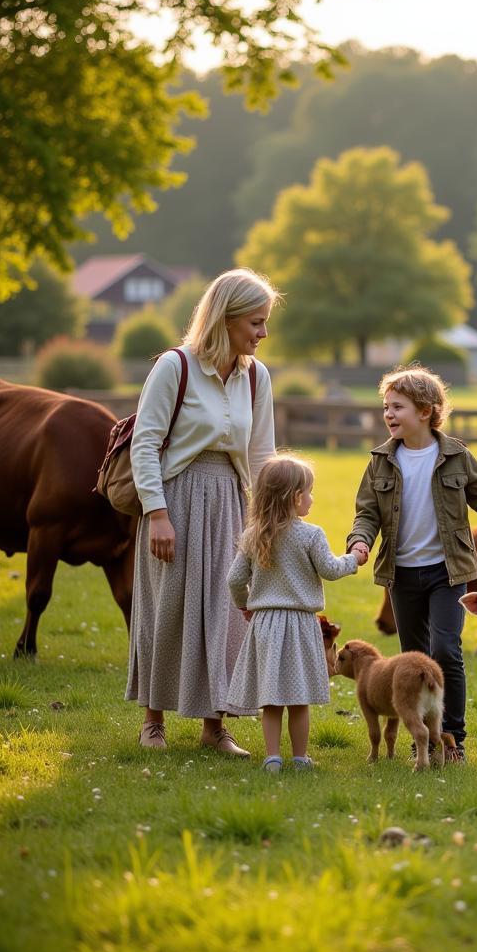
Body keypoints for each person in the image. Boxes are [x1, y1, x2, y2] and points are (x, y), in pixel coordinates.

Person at [125, 267, 280, 755]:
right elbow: (145, 445)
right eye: (255, 322)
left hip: (232, 500)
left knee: (225, 612)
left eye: (265, 321)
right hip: (176, 498)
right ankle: (153, 720)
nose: (263, 333)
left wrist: (270, 520)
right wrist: (157, 513)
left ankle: (216, 727)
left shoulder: (257, 377)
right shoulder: (175, 366)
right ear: (226, 318)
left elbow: (261, 455)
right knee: (166, 608)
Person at [347, 365, 477, 763]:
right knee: (412, 661)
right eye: (386, 408)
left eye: (398, 407)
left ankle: (454, 740)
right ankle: (424, 743)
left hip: (448, 572)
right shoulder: (380, 461)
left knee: (446, 650)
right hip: (401, 575)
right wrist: (360, 540)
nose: (389, 415)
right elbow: (367, 513)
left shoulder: (455, 455)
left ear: (427, 411)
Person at [226, 454, 364, 771]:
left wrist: (245, 605)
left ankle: (273, 757)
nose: (312, 499)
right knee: (299, 698)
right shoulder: (310, 535)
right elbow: (330, 569)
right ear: (295, 497)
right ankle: (300, 758)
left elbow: (234, 580)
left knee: (272, 698)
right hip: (301, 624)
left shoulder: (253, 535)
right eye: (309, 492)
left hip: (266, 625)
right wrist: (354, 559)